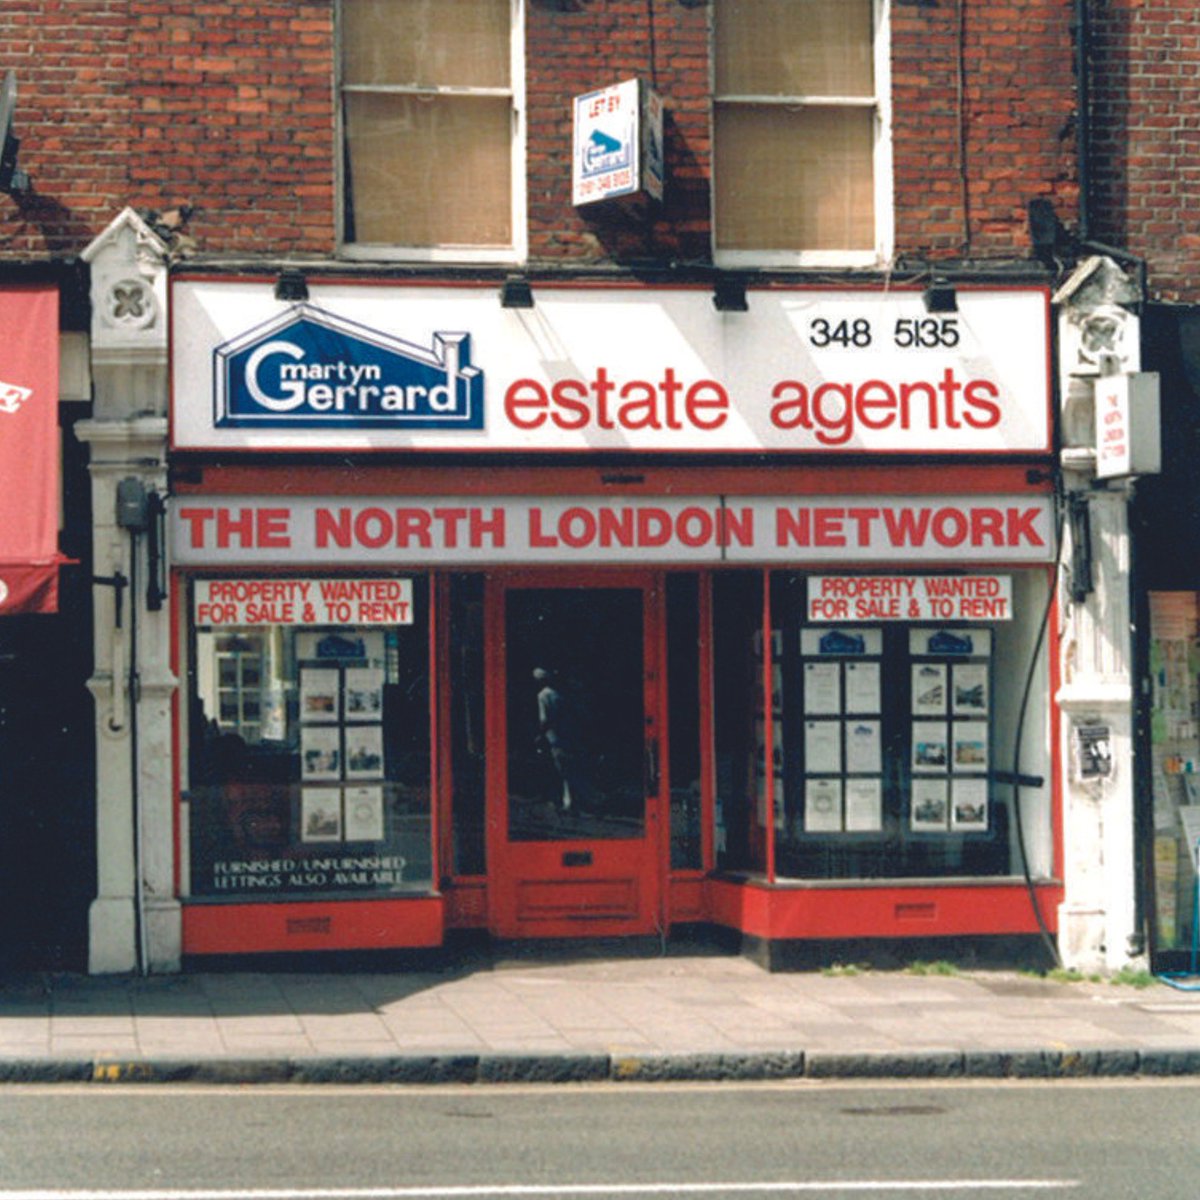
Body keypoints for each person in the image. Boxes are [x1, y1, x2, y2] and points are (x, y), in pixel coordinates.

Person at [533, 667, 588, 812]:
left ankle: (565, 802)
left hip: (552, 736)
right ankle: (570, 800)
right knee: (568, 768)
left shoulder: (543, 696)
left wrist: (539, 735)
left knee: (560, 769)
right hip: (566, 735)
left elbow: (545, 719)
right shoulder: (560, 695)